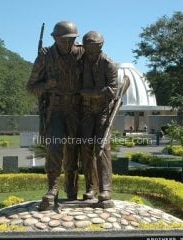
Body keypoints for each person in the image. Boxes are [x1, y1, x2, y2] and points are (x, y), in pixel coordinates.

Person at [26, 21, 84, 210]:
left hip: (76, 109)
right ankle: (52, 189)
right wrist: (47, 85)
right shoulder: (45, 58)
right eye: (65, 40)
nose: (69, 44)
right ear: (55, 38)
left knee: (74, 150)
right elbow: (31, 88)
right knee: (55, 148)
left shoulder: (82, 54)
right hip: (56, 109)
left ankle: (72, 189)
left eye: (72, 40)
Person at [80, 31, 118, 203]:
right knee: (86, 149)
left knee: (102, 149)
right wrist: (96, 93)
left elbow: (112, 91)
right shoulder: (80, 63)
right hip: (86, 112)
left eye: (94, 49)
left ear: (100, 47)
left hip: (103, 111)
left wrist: (90, 93)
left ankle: (106, 189)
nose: (90, 53)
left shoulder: (108, 64)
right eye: (88, 49)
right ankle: (90, 188)